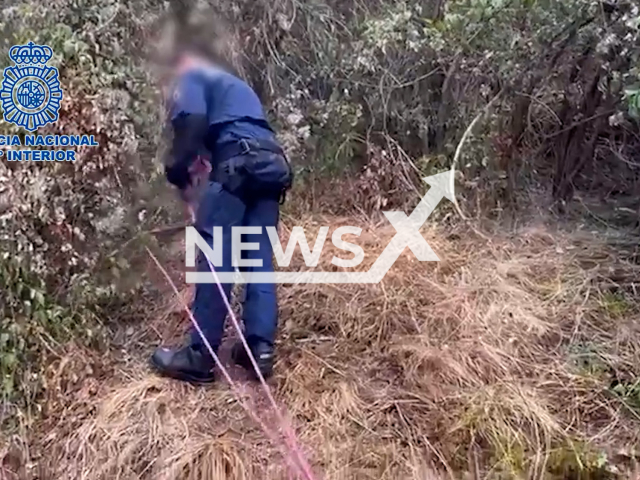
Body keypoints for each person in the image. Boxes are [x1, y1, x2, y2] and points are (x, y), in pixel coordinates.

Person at [150, 41, 292, 384]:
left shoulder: (191, 77)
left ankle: (201, 357)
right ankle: (259, 350)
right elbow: (226, 134)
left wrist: (175, 168)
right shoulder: (234, 89)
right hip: (273, 165)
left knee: (216, 257)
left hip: (238, 164)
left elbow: (192, 125)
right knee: (258, 259)